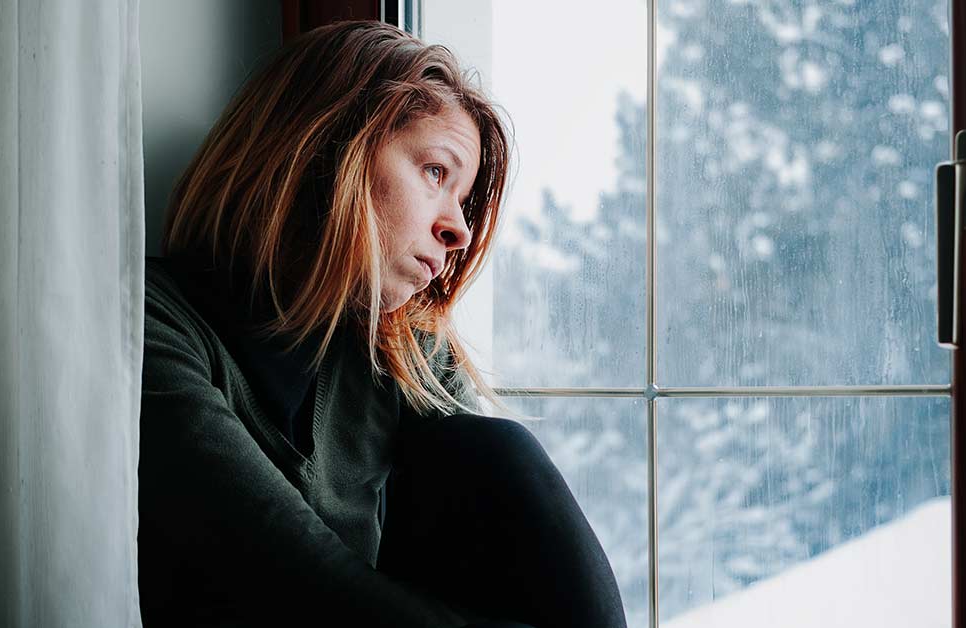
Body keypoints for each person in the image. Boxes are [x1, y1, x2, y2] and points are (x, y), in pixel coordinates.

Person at [138, 20, 627, 628]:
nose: (460, 230)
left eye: (462, 196)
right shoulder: (151, 321)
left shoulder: (405, 353)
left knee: (498, 448)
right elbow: (290, 579)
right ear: (325, 148)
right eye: (435, 172)